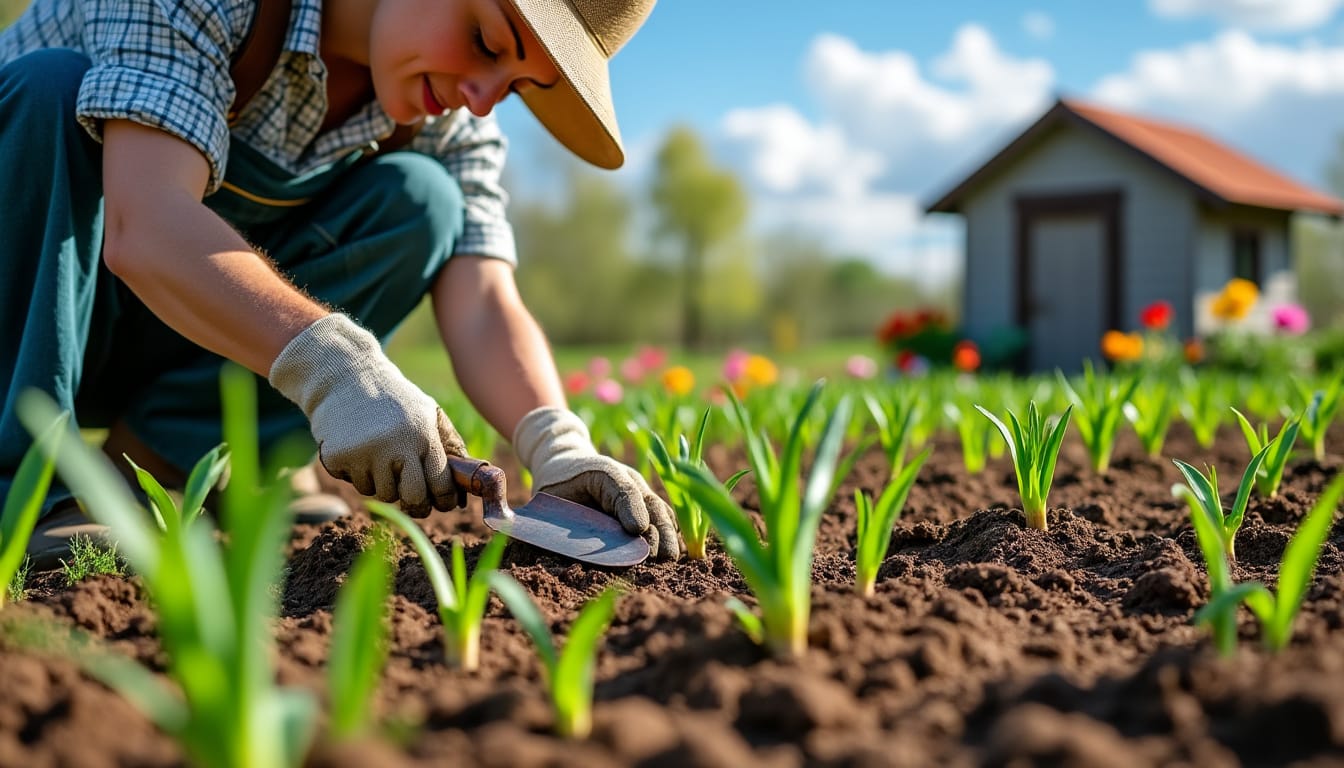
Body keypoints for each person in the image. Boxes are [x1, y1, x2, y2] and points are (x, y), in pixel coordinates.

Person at [0, 0, 681, 564]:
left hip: (144, 322)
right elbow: (145, 224)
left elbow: (484, 300)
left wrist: (556, 444)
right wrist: (336, 371)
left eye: (516, 83)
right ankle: (20, 487)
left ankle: (146, 472)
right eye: (485, 39)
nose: (479, 97)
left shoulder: (440, 114)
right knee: (51, 89)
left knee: (422, 202)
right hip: (30, 306)